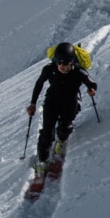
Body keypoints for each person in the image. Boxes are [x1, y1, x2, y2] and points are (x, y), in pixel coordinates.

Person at [26, 42, 97, 176]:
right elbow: (39, 83)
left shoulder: (79, 72)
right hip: (51, 102)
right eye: (60, 63)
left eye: (65, 63)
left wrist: (92, 89)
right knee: (46, 131)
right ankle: (42, 161)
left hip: (70, 103)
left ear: (71, 62)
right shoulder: (49, 69)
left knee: (65, 126)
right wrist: (33, 103)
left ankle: (61, 142)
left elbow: (90, 82)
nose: (62, 67)